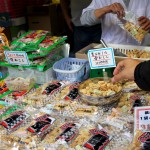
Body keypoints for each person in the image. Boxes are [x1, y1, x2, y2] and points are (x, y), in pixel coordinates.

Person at [80, 0, 150, 46]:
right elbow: (84, 20)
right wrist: (105, 9)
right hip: (111, 51)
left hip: (140, 52)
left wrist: (148, 26)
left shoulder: (145, 1)